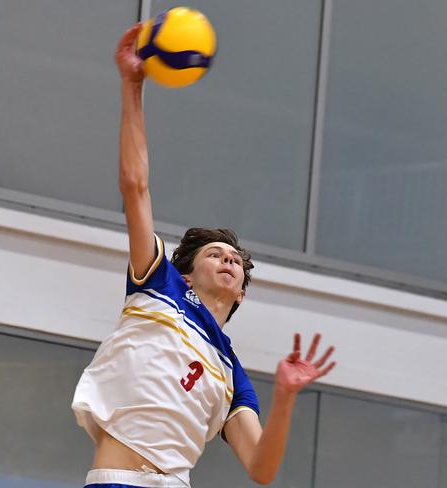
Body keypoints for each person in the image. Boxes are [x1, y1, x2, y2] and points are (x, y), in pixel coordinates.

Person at [71, 23, 336, 488]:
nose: (230, 261)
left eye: (235, 260)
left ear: (239, 297)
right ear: (187, 276)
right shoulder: (159, 284)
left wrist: (287, 395)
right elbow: (135, 186)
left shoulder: (231, 370)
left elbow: (261, 469)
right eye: (217, 254)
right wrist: (133, 86)